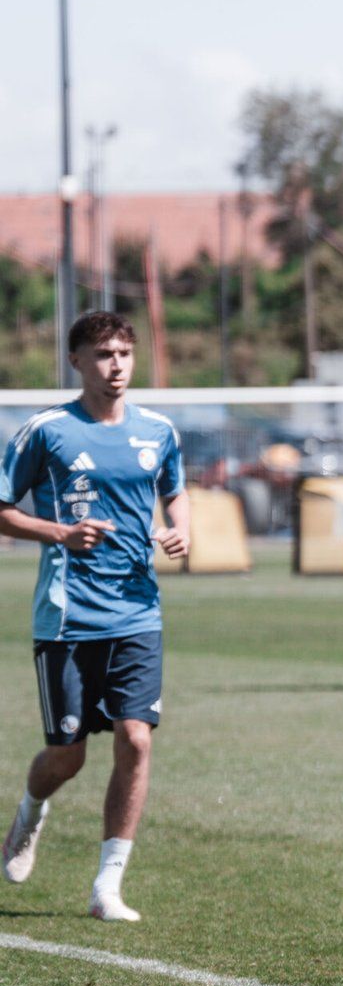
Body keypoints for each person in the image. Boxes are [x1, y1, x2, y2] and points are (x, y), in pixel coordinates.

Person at [0, 311, 189, 921]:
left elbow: (174, 488)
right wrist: (60, 532)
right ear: (76, 360)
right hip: (67, 616)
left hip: (138, 612)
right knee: (68, 754)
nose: (116, 366)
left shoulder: (158, 430)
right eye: (103, 354)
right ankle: (31, 811)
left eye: (124, 355)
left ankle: (108, 885)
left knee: (136, 739)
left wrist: (181, 529)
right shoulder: (46, 431)